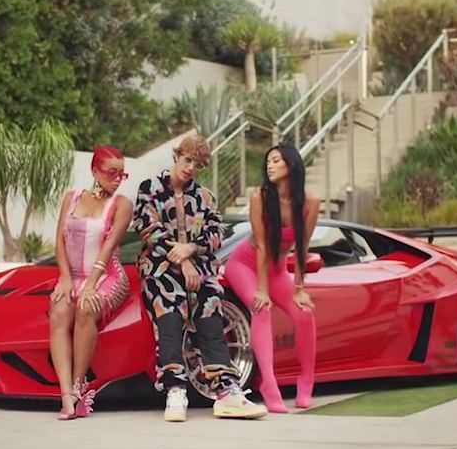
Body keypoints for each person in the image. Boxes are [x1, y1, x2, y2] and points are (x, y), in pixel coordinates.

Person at [131, 134, 266, 422]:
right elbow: (148, 228)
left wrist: (190, 250)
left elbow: (216, 234)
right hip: (160, 267)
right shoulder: (150, 188)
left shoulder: (205, 197)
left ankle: (227, 392)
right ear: (177, 156)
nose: (191, 168)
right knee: (169, 309)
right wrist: (182, 261)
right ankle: (175, 389)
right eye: (188, 160)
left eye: (199, 165)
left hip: (200, 268)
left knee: (209, 307)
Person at [222, 142, 320, 413]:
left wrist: (299, 288)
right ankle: (269, 383)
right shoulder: (260, 197)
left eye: (276, 160)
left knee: (305, 313)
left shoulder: (310, 202)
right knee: (261, 309)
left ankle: (306, 380)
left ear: (292, 164)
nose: (270, 165)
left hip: (277, 270)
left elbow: (303, 246)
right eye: (268, 161)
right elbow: (263, 246)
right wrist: (262, 290)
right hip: (245, 264)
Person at [49, 146, 135, 420]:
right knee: (59, 312)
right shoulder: (72, 198)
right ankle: (66, 396)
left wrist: (90, 285)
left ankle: (79, 387)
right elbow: (59, 242)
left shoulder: (122, 204)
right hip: (72, 276)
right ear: (95, 171)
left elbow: (108, 248)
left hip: (107, 276)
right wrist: (65, 278)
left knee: (86, 307)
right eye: (112, 173)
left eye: (122, 174)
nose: (118, 179)